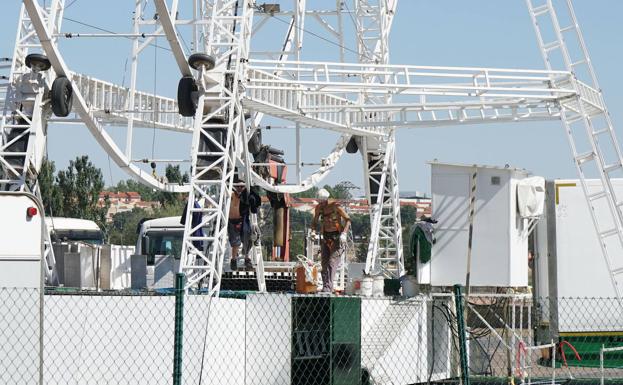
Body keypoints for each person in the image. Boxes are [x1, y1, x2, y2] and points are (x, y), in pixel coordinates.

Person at [311, 188, 351, 293]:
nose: (321, 204)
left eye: (322, 202)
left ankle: (328, 287)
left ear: (326, 199)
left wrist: (344, 233)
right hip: (326, 237)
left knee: (331, 262)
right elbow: (314, 221)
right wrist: (313, 232)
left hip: (337, 238)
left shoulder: (336, 207)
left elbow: (348, 220)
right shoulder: (319, 208)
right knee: (324, 263)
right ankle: (326, 286)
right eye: (319, 202)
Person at [229, 184, 253, 271]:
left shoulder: (245, 195)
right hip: (232, 221)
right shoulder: (230, 194)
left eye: (241, 187)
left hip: (242, 220)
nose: (239, 188)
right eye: (238, 186)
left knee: (247, 238)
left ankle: (247, 257)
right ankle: (234, 259)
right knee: (235, 242)